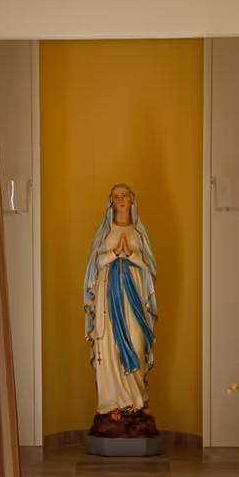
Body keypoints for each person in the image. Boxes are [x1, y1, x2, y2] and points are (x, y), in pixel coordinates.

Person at [83, 183, 159, 436]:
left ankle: (138, 401)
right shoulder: (105, 232)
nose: (121, 200)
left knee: (136, 341)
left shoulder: (138, 232)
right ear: (111, 203)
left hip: (133, 297)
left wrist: (131, 255)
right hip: (108, 299)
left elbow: (150, 267)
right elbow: (94, 265)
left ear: (132, 200)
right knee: (110, 347)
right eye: (116, 196)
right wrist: (115, 253)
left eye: (124, 195)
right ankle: (111, 404)